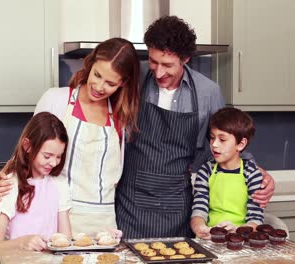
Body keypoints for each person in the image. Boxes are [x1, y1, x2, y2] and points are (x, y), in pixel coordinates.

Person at [114, 15, 274, 239]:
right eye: (153, 62)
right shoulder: (133, 78)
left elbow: (228, 137)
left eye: (168, 65)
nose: (158, 72)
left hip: (177, 202)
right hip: (131, 200)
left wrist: (259, 173)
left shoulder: (208, 92)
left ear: (186, 58)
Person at [0, 38, 140, 236]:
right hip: (58, 218)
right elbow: (28, 153)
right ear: (91, 63)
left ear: (123, 83)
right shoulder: (56, 100)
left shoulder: (121, 117)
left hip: (104, 224)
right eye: (97, 75)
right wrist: (4, 179)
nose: (100, 86)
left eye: (110, 83)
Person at [0, 112, 72, 258]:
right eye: (47, 156)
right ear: (28, 146)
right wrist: (22, 242)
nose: (53, 163)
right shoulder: (9, 185)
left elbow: (66, 241)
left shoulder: (59, 184)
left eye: (59, 156)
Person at [190, 107, 264, 239]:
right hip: (209, 239)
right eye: (212, 138)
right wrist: (199, 227)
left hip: (241, 240)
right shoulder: (206, 170)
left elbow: (256, 219)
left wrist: (237, 231)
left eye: (222, 140)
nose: (214, 145)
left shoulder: (252, 174)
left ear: (240, 144)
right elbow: (199, 210)